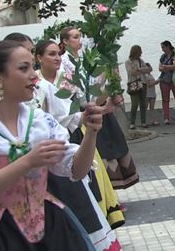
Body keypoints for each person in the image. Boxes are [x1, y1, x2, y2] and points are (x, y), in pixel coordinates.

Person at [0, 40, 104, 250]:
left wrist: (91, 134)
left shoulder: (39, 121)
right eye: (23, 68)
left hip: (52, 227)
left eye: (31, 66)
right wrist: (27, 161)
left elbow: (77, 170)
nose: (34, 75)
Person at [33, 40, 122, 250]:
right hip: (47, 150)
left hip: (69, 140)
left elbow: (82, 106)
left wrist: (102, 102)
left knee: (85, 184)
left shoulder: (67, 80)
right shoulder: (36, 85)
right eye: (51, 54)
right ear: (39, 58)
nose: (57, 58)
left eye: (58, 54)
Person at [59, 27, 139, 190]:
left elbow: (95, 84)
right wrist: (96, 104)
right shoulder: (63, 63)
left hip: (98, 107)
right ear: (65, 41)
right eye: (75, 37)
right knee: (99, 152)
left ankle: (112, 194)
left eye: (80, 36)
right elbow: (76, 92)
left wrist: (108, 84)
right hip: (84, 112)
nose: (79, 40)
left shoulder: (84, 59)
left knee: (113, 147)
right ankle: (104, 195)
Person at [158, 40, 175, 124]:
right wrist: (168, 67)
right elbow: (159, 68)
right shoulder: (163, 56)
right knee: (165, 100)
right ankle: (166, 118)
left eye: (163, 47)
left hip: (174, 79)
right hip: (164, 79)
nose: (162, 49)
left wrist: (165, 66)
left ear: (167, 47)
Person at [125, 45, 152, 129]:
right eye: (140, 51)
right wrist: (142, 70)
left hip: (143, 83)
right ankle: (132, 122)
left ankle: (143, 122)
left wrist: (139, 70)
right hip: (133, 84)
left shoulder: (141, 61)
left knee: (143, 103)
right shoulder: (128, 62)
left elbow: (149, 69)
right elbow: (131, 72)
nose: (141, 53)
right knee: (135, 104)